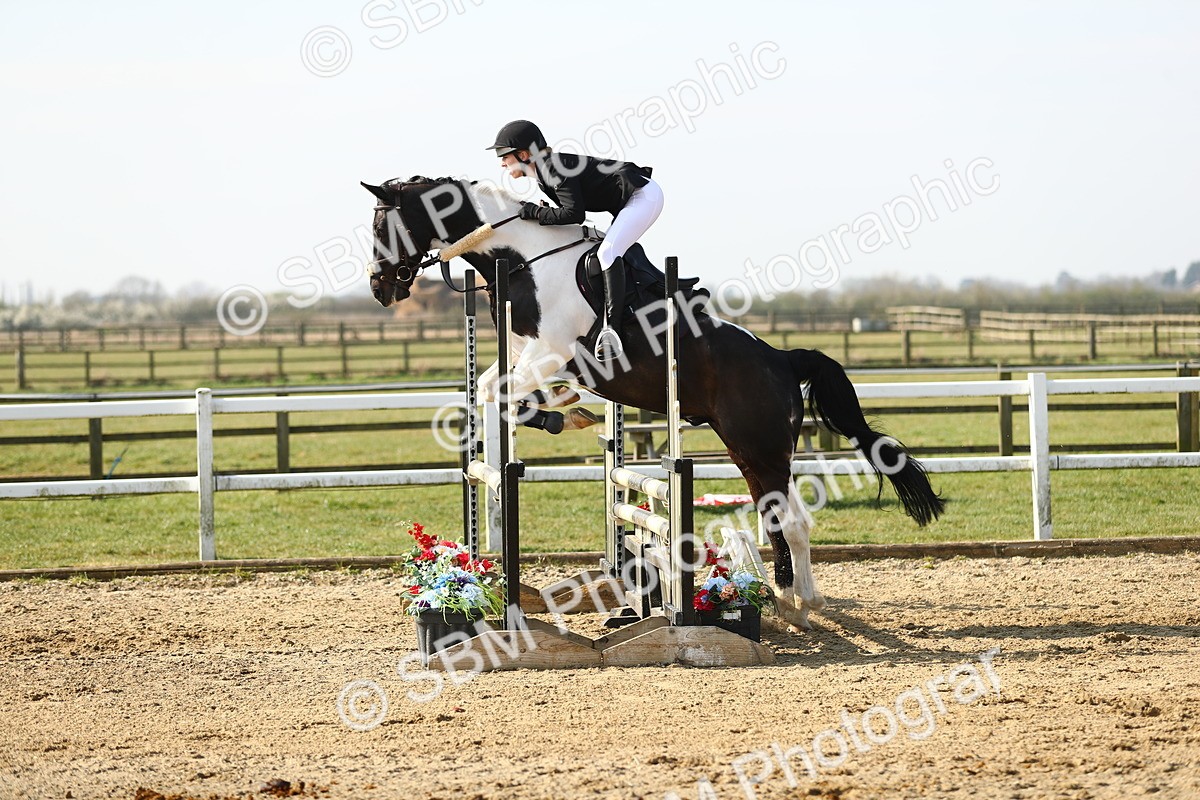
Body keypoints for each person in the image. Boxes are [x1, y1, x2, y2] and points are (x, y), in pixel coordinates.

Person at [485, 120, 663, 361]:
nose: (502, 162)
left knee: (607, 254)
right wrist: (540, 212)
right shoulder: (544, 172)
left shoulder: (551, 169)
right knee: (606, 251)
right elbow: (569, 214)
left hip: (643, 197)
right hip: (629, 201)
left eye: (504, 155)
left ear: (524, 154)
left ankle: (612, 330)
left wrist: (535, 212)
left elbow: (574, 215)